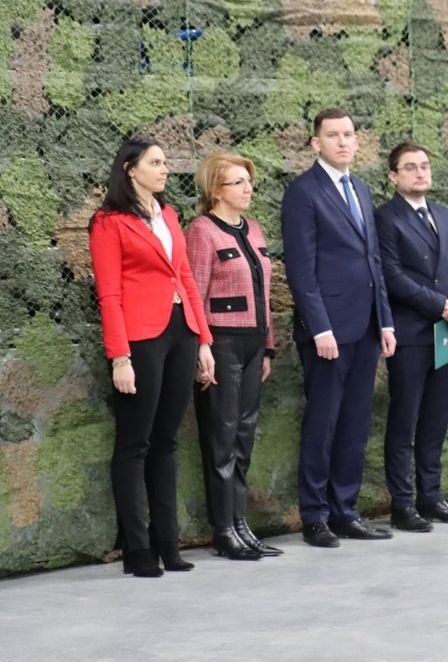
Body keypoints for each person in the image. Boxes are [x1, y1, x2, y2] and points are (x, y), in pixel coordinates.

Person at [89, 138, 215, 577]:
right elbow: (109, 294)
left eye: (165, 162)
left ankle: (168, 543)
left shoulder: (169, 215)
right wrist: (119, 357)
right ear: (129, 168)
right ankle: (137, 550)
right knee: (134, 444)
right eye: (156, 162)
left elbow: (185, 276)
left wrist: (203, 339)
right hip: (140, 339)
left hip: (182, 334)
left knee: (166, 441)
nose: (165, 169)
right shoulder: (108, 222)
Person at [281, 108, 397, 547]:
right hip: (327, 331)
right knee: (323, 423)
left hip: (366, 327)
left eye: (349, 134)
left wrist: (385, 320)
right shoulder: (303, 193)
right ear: (316, 143)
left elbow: (374, 263)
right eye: (333, 135)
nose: (343, 142)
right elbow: (301, 270)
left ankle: (345, 510)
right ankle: (314, 516)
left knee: (354, 422)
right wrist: (319, 328)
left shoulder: (362, 190)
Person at [184, 152, 282, 561]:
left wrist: (268, 346)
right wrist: (202, 347)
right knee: (221, 438)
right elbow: (196, 294)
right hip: (221, 344)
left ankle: (242, 524)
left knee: (243, 437)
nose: (247, 189)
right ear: (214, 190)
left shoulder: (253, 228)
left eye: (248, 182)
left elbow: (264, 293)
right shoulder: (202, 231)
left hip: (253, 343)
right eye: (237, 183)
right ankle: (223, 530)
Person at [376, 143, 448, 532]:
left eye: (425, 166)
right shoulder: (386, 218)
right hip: (412, 333)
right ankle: (402, 504)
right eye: (410, 167)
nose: (420, 173)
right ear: (394, 176)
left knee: (435, 419)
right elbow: (393, 276)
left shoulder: (444, 215)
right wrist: (441, 305)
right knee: (404, 419)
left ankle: (431, 497)